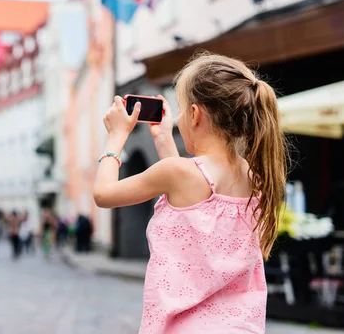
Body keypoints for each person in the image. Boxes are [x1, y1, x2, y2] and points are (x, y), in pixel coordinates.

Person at [93, 53, 286, 333]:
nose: (180, 116)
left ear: (195, 115)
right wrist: (163, 138)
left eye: (182, 109)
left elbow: (103, 193)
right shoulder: (253, 176)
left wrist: (115, 137)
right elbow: (187, 194)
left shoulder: (178, 174)